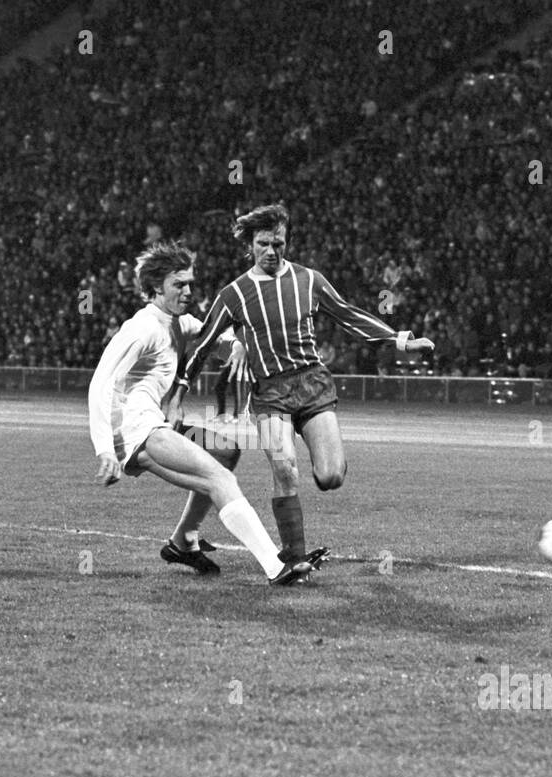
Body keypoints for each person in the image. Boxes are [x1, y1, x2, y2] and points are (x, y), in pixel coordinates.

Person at [166, 204, 434, 569]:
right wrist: (178, 394)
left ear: (287, 241)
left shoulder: (310, 280)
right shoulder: (235, 294)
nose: (272, 251)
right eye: (264, 243)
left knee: (330, 476)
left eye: (279, 242)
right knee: (285, 468)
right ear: (250, 245)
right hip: (270, 395)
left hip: (312, 385)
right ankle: (294, 557)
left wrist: (401, 340)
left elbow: (349, 315)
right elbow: (202, 345)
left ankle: (318, 477)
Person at [88, 240, 311, 586]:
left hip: (153, 425)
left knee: (225, 451)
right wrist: (104, 447)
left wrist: (235, 346)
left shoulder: (178, 322)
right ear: (154, 288)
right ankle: (275, 567)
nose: (188, 290)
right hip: (136, 431)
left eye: (190, 282)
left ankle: (183, 541)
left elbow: (214, 335)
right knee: (221, 480)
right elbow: (101, 382)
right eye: (179, 284)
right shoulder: (142, 328)